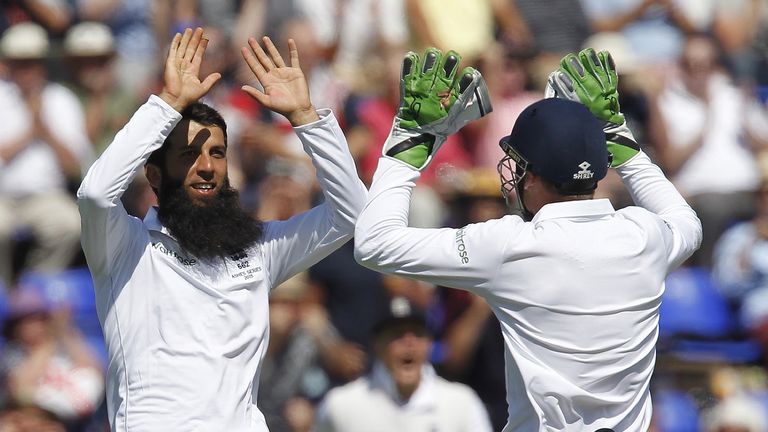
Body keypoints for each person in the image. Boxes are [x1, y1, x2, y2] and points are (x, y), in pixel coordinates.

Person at [354, 47, 702, 430]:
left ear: (532, 178)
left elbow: (374, 244)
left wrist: (410, 140)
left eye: (518, 166)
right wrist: (621, 138)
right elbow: (688, 224)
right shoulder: (644, 236)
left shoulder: (509, 245)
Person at [76, 27, 366, 430]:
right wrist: (167, 104)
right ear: (155, 176)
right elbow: (95, 194)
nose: (208, 167)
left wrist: (306, 118)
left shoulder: (259, 250)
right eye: (189, 154)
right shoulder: (125, 247)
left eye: (217, 153)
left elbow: (351, 212)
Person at [0, 22, 92, 286]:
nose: (27, 70)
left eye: (32, 62)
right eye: (20, 63)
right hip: (2, 196)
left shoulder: (62, 99)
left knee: (70, 225)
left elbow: (75, 166)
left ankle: (33, 289)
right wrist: (30, 131)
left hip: (46, 196)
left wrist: (45, 130)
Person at [314, 296, 493, 432]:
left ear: (429, 343)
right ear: (377, 345)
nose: (409, 343)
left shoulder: (461, 403)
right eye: (397, 334)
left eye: (417, 334)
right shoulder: (340, 406)